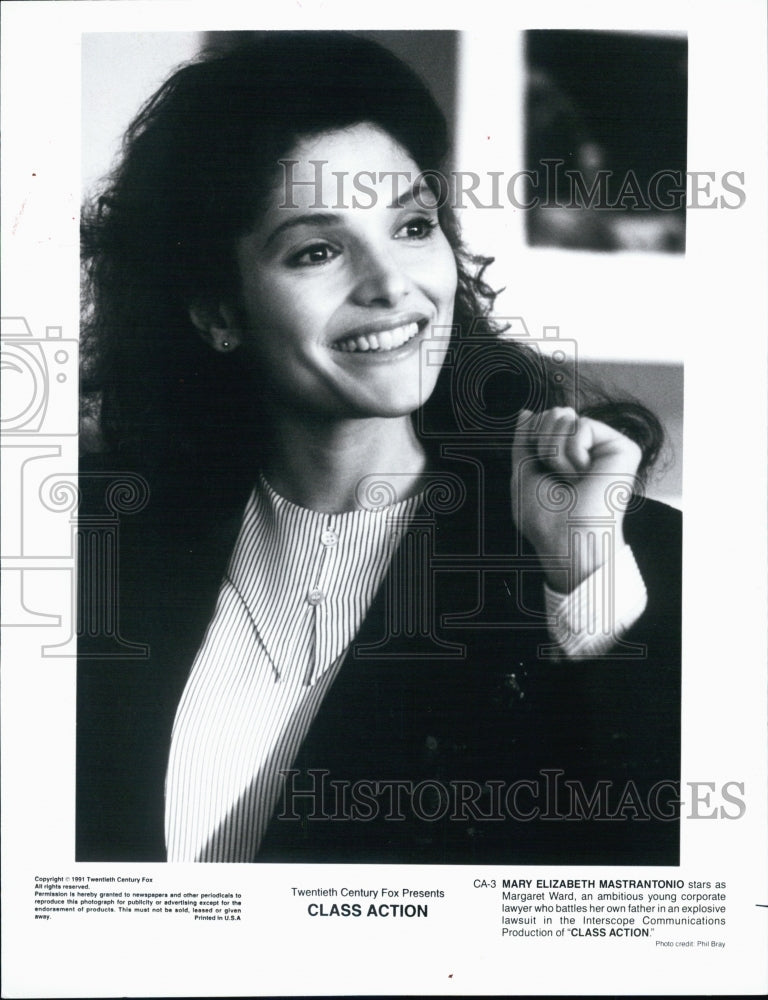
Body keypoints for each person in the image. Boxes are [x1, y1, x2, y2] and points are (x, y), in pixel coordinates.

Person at [77, 32, 681, 865]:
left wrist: (583, 582)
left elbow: (669, 896)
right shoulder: (102, 546)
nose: (392, 283)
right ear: (218, 312)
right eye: (317, 250)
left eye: (411, 224)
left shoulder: (608, 555)